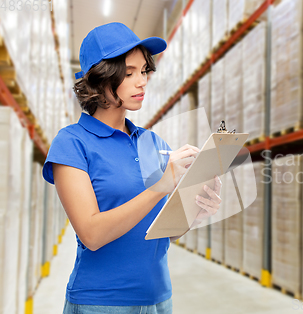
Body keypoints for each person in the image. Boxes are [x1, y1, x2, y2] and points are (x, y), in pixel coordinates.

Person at [42, 22, 222, 314]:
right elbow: (91, 234)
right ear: (100, 79)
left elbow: (161, 232)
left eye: (144, 71)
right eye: (129, 73)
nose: (142, 82)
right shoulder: (72, 143)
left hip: (159, 299)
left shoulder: (153, 142)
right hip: (100, 303)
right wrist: (160, 187)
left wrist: (196, 210)